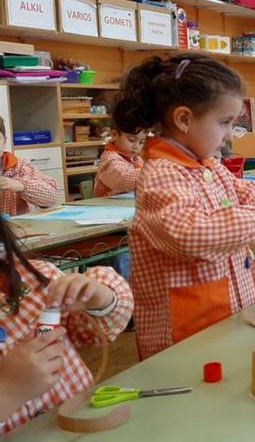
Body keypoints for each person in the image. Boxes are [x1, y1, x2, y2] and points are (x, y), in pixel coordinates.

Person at [111, 54, 255, 359]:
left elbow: (251, 197)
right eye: (224, 123)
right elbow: (189, 233)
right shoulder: (161, 173)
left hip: (227, 319)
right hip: (186, 340)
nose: (227, 136)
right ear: (183, 119)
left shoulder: (208, 166)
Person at [0, 215, 133, 433]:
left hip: (78, 423)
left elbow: (92, 333)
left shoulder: (36, 277)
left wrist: (100, 299)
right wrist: (6, 393)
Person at [0, 117, 59, 215]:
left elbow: (52, 196)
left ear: (4, 142)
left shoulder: (18, 167)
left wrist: (21, 185)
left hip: (14, 228)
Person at [93, 124, 147, 197]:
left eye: (141, 142)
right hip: (108, 206)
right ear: (114, 135)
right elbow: (122, 179)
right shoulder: (109, 158)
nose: (136, 146)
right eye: (131, 140)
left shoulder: (137, 159)